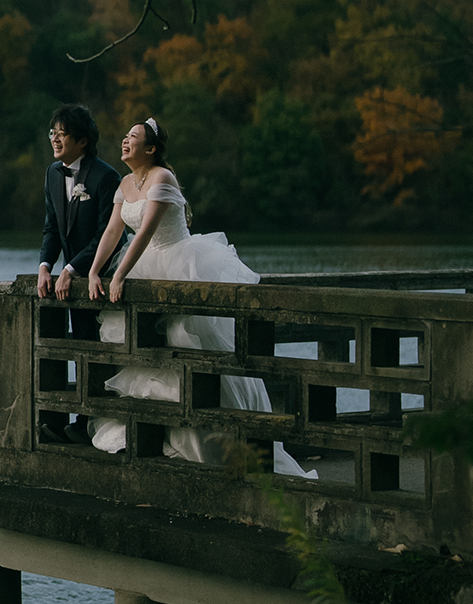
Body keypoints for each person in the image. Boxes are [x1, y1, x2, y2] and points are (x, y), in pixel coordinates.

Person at [85, 117, 316, 478]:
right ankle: (159, 434)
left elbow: (145, 232)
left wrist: (120, 274)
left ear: (151, 149)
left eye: (134, 138)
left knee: (191, 343)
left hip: (179, 262)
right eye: (126, 136)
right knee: (149, 356)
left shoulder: (162, 178)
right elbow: (114, 230)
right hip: (146, 265)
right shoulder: (125, 182)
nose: (125, 142)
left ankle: (222, 440)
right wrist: (95, 271)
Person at [37, 105, 124, 446]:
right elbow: (51, 229)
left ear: (82, 141)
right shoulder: (52, 174)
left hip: (100, 274)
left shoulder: (106, 177)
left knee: (96, 347)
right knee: (76, 347)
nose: (55, 139)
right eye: (52, 133)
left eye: (62, 134)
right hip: (69, 279)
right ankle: (65, 420)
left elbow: (107, 236)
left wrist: (72, 269)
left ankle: (89, 421)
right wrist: (46, 266)